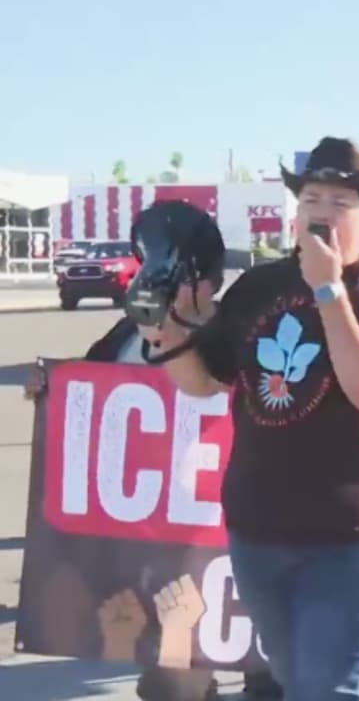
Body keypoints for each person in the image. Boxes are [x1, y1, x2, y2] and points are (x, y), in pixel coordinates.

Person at [142, 137, 359, 699]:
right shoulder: (258, 287)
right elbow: (206, 383)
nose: (321, 211)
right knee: (294, 678)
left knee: (327, 689)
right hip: (258, 532)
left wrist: (328, 289)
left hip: (349, 539)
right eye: (311, 198)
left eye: (340, 201)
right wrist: (168, 336)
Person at [25, 200, 225, 701]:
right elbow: (91, 382)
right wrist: (50, 384)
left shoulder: (233, 333)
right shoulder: (127, 331)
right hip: (139, 528)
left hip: (209, 530)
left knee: (194, 663)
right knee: (162, 673)